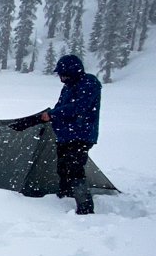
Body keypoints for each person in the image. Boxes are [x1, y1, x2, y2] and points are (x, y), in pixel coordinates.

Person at [9, 54, 101, 215]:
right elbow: (58, 109)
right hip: (65, 135)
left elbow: (79, 106)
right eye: (60, 75)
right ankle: (65, 197)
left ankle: (85, 208)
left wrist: (52, 115)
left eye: (63, 75)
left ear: (72, 72)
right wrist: (31, 121)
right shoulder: (67, 88)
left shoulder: (89, 82)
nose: (61, 78)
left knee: (75, 168)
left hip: (81, 135)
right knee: (63, 167)